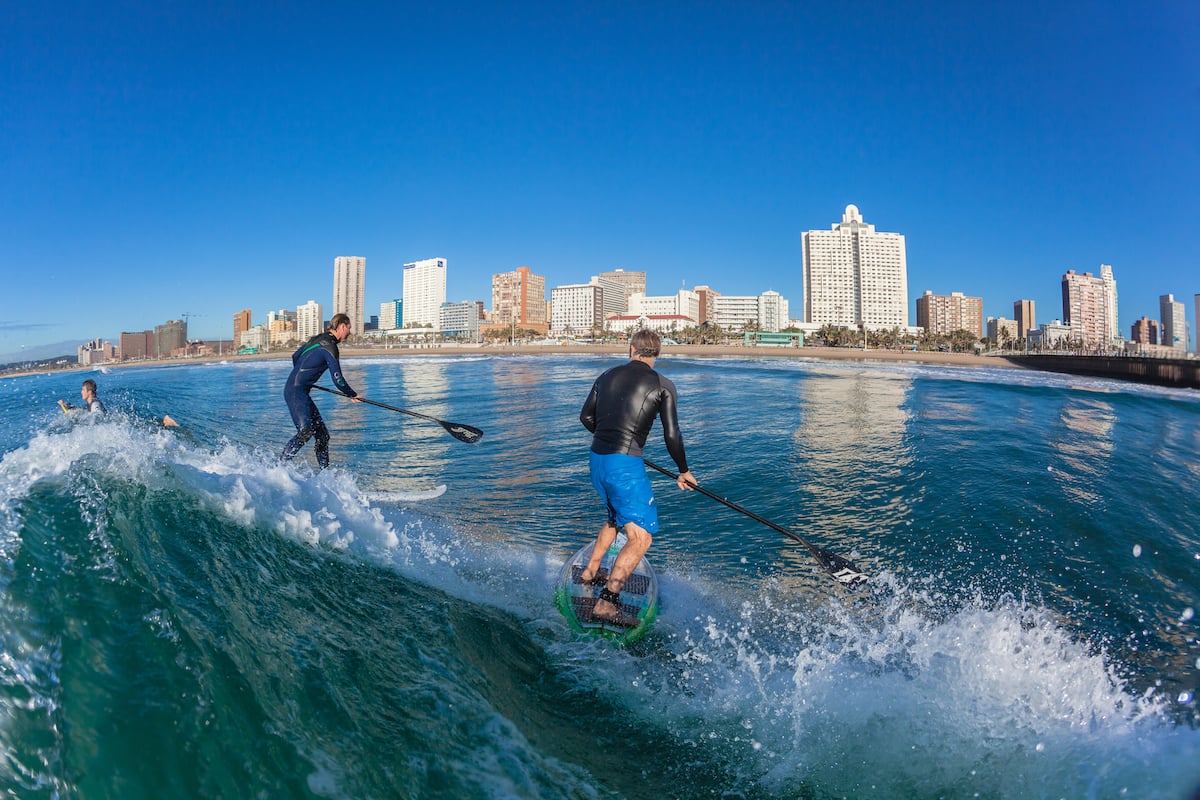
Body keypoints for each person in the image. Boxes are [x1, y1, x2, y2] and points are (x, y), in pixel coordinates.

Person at [578, 328, 695, 624]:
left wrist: (611, 439)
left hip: (597, 459)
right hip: (623, 466)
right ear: (657, 354)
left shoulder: (606, 376)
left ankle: (590, 572)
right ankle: (607, 603)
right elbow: (672, 434)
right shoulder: (663, 384)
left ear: (631, 349)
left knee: (615, 518)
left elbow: (586, 418)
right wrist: (683, 470)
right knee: (640, 537)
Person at [280, 313, 362, 469]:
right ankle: (280, 467)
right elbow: (338, 379)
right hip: (297, 391)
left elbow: (295, 357)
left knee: (323, 436)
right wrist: (352, 394)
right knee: (306, 431)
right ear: (342, 326)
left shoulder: (316, 339)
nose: (349, 333)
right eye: (349, 328)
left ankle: (325, 474)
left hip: (299, 390)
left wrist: (304, 377)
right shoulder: (331, 347)